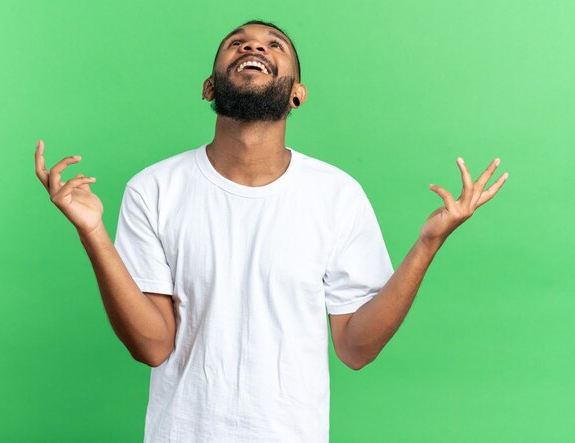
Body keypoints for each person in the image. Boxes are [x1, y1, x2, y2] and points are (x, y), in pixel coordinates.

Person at [34, 19, 508, 443]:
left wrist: (428, 243)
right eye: (236, 44)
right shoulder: (154, 189)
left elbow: (356, 348)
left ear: (297, 93)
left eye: (273, 44)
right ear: (208, 87)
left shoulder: (336, 194)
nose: (252, 47)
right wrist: (93, 233)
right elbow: (153, 346)